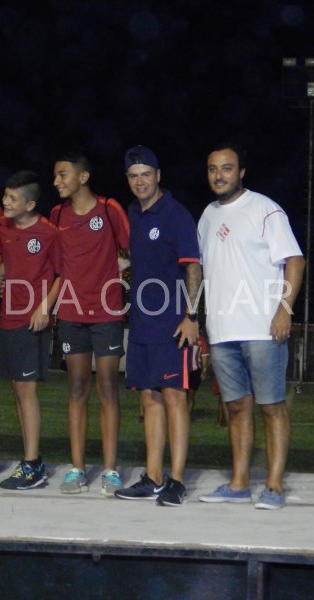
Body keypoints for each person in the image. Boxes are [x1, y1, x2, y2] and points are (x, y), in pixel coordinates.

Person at [196, 143, 304, 510]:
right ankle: (239, 483)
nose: (219, 175)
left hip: (262, 329)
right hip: (223, 332)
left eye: (227, 168)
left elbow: (295, 260)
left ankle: (273, 486)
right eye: (213, 169)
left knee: (271, 407)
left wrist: (284, 309)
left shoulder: (265, 209)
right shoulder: (207, 216)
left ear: (241, 172)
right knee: (237, 408)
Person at [113, 146, 202, 507]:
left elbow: (193, 267)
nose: (140, 182)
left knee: (174, 398)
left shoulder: (176, 214)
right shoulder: (132, 214)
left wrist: (191, 316)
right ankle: (153, 478)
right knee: (149, 399)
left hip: (173, 323)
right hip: (141, 323)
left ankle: (176, 481)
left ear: (158, 175)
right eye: (134, 176)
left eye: (146, 174)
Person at [51, 149, 129, 496]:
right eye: (55, 175)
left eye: (63, 174)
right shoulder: (57, 214)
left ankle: (110, 470)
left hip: (107, 314)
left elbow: (132, 248)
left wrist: (122, 267)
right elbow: (57, 265)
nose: (57, 181)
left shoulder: (109, 209)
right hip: (71, 314)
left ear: (83, 177)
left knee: (108, 388)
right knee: (77, 388)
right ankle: (77, 469)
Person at [0, 171, 60, 489]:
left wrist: (45, 307)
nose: (6, 202)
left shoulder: (49, 232)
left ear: (30, 204)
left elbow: (61, 274)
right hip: (8, 318)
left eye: (13, 198)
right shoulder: (3, 228)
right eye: (5, 196)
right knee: (17, 389)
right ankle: (30, 460)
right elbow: (10, 265)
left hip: (32, 320)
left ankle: (32, 464)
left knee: (27, 391)